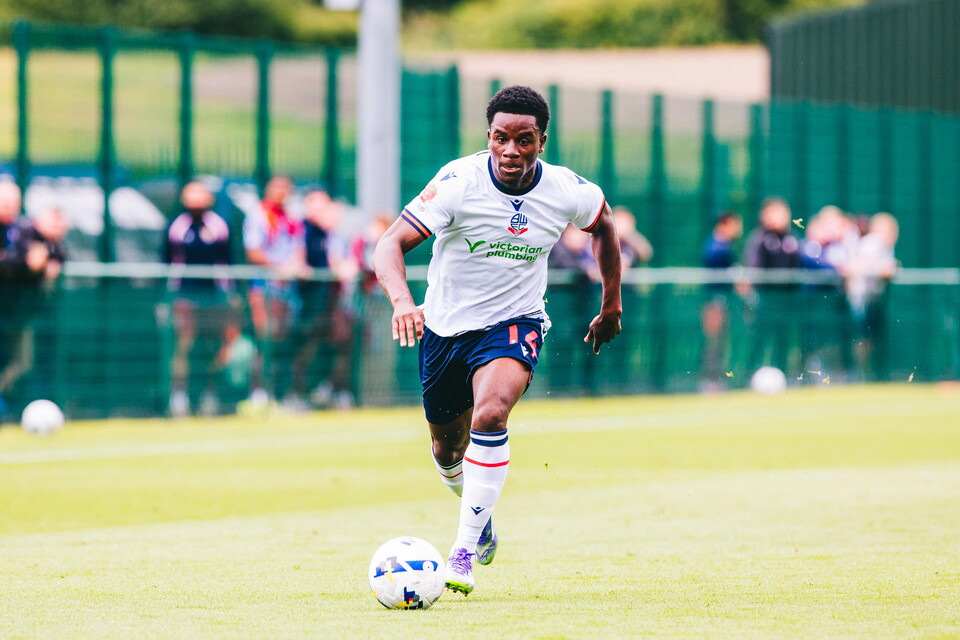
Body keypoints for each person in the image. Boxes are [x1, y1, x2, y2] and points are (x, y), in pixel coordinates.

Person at [373, 85, 622, 596]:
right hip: (444, 329)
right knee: (447, 450)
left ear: (542, 141)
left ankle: (461, 553)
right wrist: (402, 301)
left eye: (524, 140)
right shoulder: (457, 182)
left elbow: (605, 227)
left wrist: (612, 304)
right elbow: (389, 243)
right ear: (489, 137)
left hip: (516, 322)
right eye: (501, 138)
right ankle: (478, 513)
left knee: (490, 414)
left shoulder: (566, 189)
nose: (511, 150)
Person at [163, 181, 233, 417]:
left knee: (213, 346)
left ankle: (209, 393)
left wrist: (231, 296)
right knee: (183, 345)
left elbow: (229, 261)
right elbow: (166, 262)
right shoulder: (176, 226)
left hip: (215, 295)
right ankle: (179, 396)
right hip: (184, 295)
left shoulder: (219, 225)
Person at [0, 193, 68, 417]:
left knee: (23, 362)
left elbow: (57, 255)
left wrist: (43, 263)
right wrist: (27, 265)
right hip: (11, 309)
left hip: (20, 313)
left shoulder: (27, 234)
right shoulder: (24, 233)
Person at [289, 189, 357, 411]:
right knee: (305, 346)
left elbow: (339, 262)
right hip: (306, 302)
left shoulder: (332, 235)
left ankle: (331, 390)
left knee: (341, 342)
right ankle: (296, 394)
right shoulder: (301, 230)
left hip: (330, 301)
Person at [243, 175, 304, 406]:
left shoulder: (291, 218)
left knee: (284, 340)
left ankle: (281, 392)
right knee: (265, 338)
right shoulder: (259, 215)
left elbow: (299, 248)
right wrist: (280, 269)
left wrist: (296, 266)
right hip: (264, 287)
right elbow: (254, 251)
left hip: (287, 290)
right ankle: (258, 391)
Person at [742, 197, 802, 374]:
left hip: (786, 302)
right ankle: (749, 374)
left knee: (783, 340)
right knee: (759, 340)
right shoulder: (759, 238)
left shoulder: (792, 238)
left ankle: (782, 373)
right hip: (765, 301)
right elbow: (753, 268)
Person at [698, 210, 742, 391]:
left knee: (721, 343)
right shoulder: (716, 246)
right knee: (713, 343)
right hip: (714, 301)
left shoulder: (727, 246)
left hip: (723, 301)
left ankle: (717, 379)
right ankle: (709, 381)